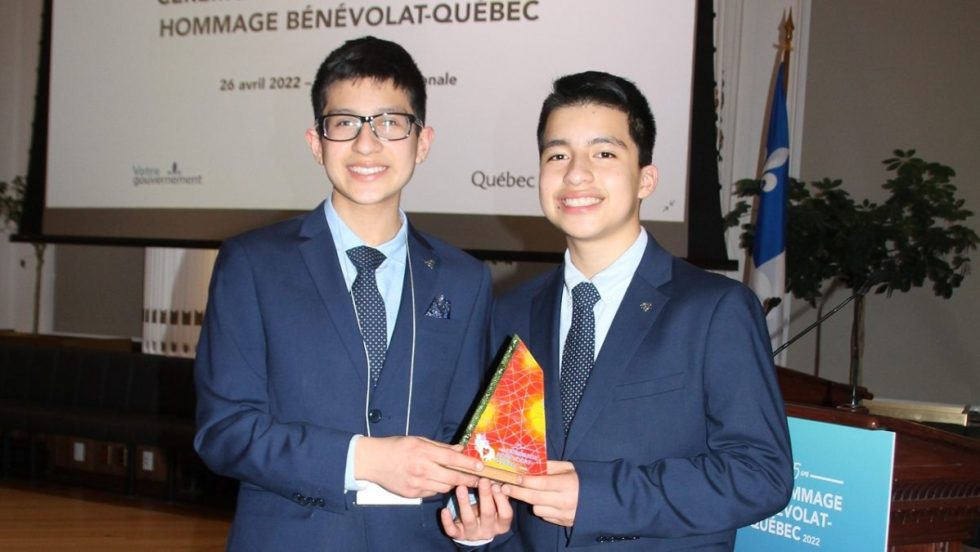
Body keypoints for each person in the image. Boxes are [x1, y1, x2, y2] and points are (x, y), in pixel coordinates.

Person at [194, 36, 509, 550]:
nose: (367, 145)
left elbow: (466, 438)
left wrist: (475, 526)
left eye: (390, 123)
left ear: (422, 143)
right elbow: (224, 432)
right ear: (316, 143)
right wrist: (365, 459)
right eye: (345, 124)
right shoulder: (253, 264)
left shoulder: (463, 278)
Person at [490, 71, 793, 551]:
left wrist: (599, 496)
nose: (576, 173)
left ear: (646, 179)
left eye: (604, 153)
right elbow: (504, 464)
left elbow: (761, 474)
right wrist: (486, 532)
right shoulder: (510, 311)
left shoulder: (715, 310)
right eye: (558, 154)